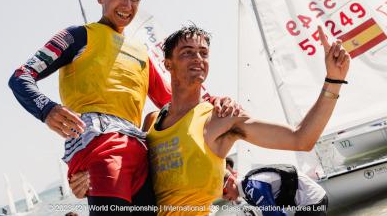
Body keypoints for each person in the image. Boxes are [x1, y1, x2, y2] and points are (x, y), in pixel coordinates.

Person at [8, 0, 236, 216]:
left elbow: (176, 106)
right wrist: (47, 109)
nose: (127, 5)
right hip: (101, 145)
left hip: (139, 152)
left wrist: (213, 103)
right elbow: (21, 76)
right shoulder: (77, 36)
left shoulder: (143, 53)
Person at [71, 23, 350, 215]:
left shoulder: (221, 118)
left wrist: (333, 80)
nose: (198, 59)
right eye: (187, 52)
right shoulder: (152, 121)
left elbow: (301, 138)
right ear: (167, 64)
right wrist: (87, 181)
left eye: (204, 53)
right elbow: (128, 173)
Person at [222, 165, 328, 216]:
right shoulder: (247, 191)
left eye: (224, 192)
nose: (224, 198)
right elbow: (278, 212)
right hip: (311, 201)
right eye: (219, 196)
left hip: (312, 200)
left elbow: (273, 214)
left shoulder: (252, 187)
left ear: (231, 181)